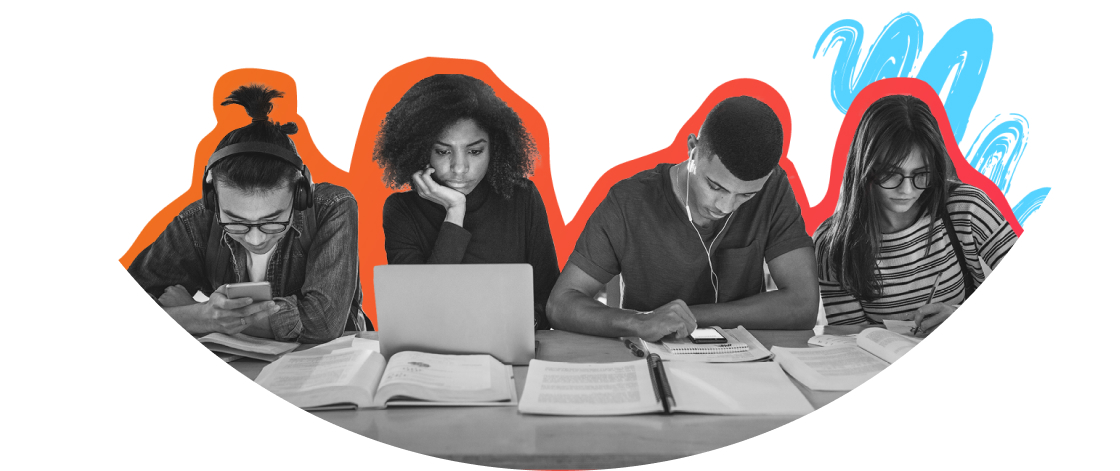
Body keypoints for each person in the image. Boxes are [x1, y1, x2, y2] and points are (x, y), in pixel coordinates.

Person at [547, 95, 819, 342]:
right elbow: (561, 304)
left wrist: (689, 317)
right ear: (693, 149)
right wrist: (640, 321)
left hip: (746, 365)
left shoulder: (774, 188)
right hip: (652, 360)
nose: (725, 206)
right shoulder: (628, 202)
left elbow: (803, 305)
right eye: (715, 186)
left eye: (745, 196)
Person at [129, 84, 365, 343]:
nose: (255, 239)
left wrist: (193, 314)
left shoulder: (332, 207)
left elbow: (322, 322)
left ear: (300, 196)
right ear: (212, 198)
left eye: (273, 221)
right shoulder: (196, 221)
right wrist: (202, 315)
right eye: (236, 222)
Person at [813, 94, 1018, 335]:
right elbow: (851, 341)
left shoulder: (967, 208)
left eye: (921, 174)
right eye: (891, 174)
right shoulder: (833, 244)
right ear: (864, 169)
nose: (907, 190)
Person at [374, 74, 559, 330]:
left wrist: (524, 324)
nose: (459, 168)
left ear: (495, 147)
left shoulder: (522, 198)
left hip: (508, 348)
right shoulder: (401, 210)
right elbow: (419, 311)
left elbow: (549, 299)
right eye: (443, 151)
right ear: (419, 149)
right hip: (432, 357)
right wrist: (454, 211)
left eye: (474, 151)